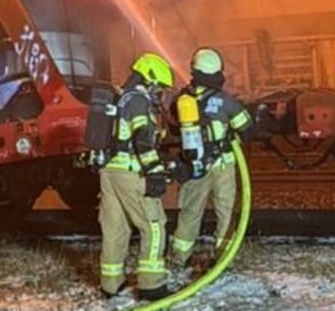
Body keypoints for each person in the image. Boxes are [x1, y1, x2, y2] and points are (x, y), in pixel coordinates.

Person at [98, 52, 175, 301]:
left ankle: (111, 284)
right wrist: (154, 171)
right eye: (160, 87)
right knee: (153, 226)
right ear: (149, 80)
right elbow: (142, 138)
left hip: (109, 171)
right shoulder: (139, 101)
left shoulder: (120, 98)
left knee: (115, 228)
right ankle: (152, 286)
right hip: (130, 171)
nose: (160, 93)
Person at [169, 47, 252, 270]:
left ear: (194, 70)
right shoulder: (226, 101)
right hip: (223, 164)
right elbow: (246, 127)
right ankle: (224, 256)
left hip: (194, 166)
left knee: (190, 211)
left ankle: (179, 257)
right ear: (218, 73)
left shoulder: (182, 100)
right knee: (226, 211)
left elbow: (174, 126)